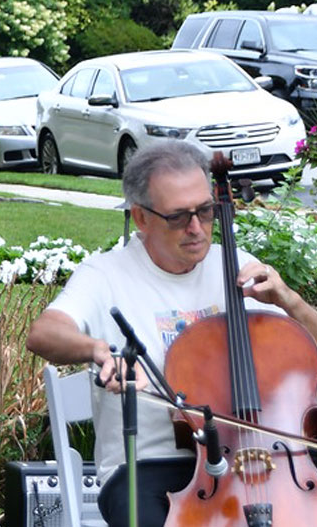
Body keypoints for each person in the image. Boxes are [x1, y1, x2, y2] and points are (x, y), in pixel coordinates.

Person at [26, 140, 317, 527]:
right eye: (178, 217)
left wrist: (290, 302)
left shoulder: (239, 267)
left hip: (261, 459)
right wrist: (98, 350)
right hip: (148, 467)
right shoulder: (105, 275)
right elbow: (44, 333)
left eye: (205, 212)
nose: (196, 228)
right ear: (141, 218)